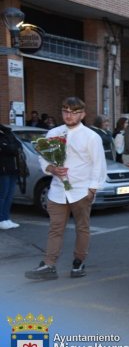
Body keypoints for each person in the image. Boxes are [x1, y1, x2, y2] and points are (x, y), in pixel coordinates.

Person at [25, 97, 107, 280]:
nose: (69, 115)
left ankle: (78, 263)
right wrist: (52, 168)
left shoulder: (91, 137)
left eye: (74, 112)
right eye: (66, 111)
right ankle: (49, 264)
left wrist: (92, 189)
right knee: (55, 228)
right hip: (57, 190)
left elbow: (98, 164)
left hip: (81, 191)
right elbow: (43, 158)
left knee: (82, 228)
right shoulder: (53, 133)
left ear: (83, 114)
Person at [0, 124, 23, 230]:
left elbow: (19, 145)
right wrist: (12, 147)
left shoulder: (7, 131)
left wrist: (12, 146)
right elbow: (8, 148)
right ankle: (1, 219)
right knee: (2, 195)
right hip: (3, 169)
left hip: (12, 168)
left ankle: (6, 218)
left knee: (9, 195)